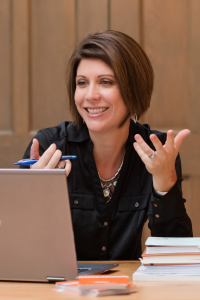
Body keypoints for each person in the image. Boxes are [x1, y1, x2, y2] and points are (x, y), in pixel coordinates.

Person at [20, 30, 192, 260]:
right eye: (82, 83)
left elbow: (176, 258)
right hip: (60, 290)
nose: (90, 95)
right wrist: (37, 197)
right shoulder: (47, 147)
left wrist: (163, 185)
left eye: (106, 82)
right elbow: (19, 252)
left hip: (128, 290)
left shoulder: (157, 150)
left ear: (133, 89)